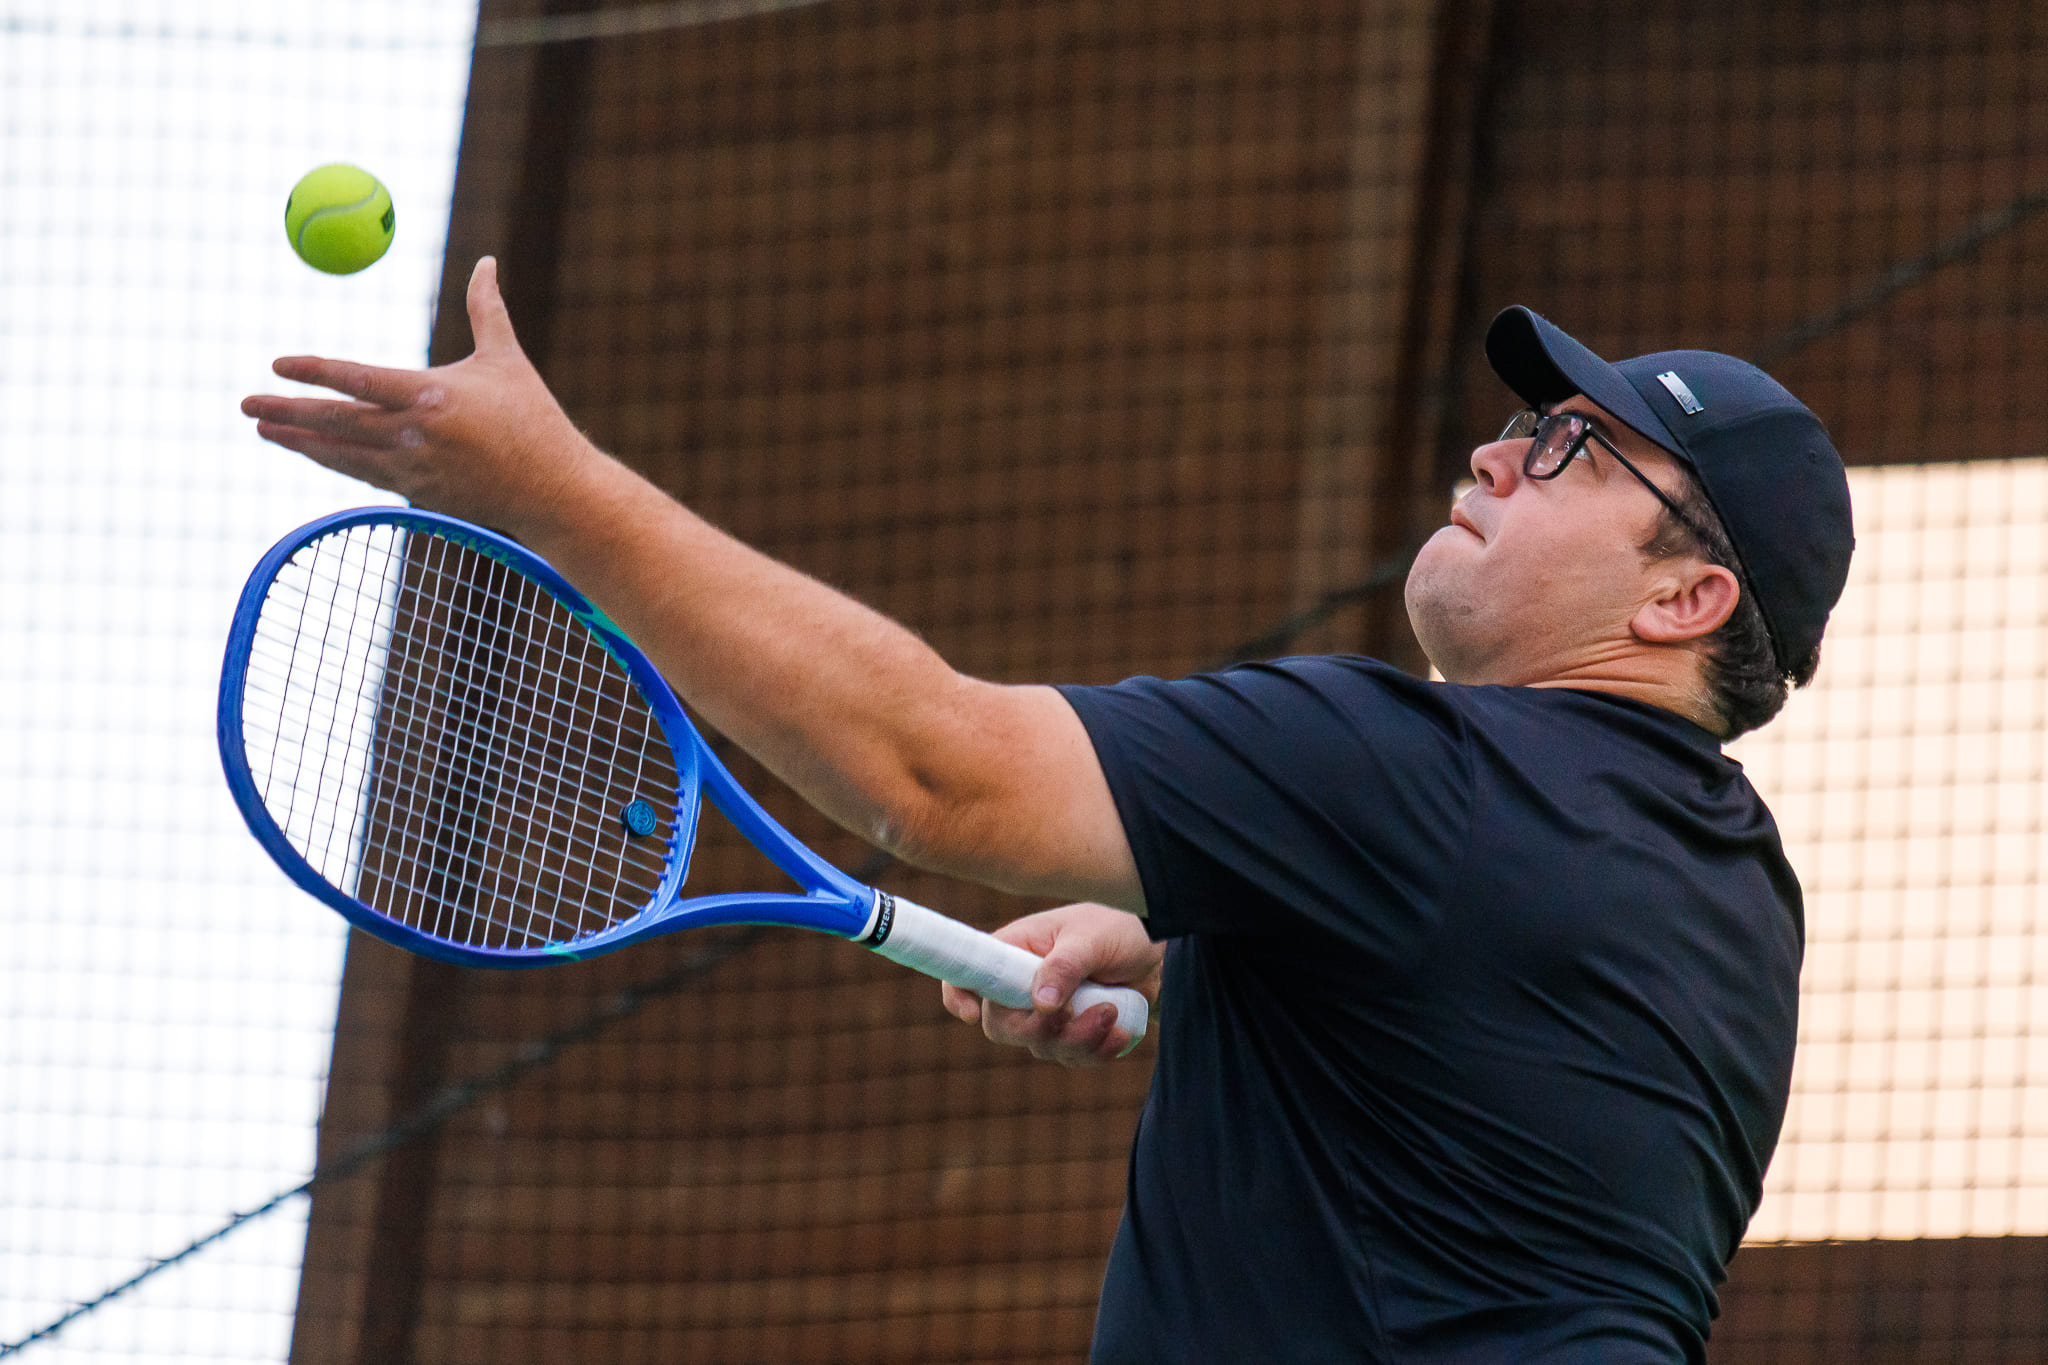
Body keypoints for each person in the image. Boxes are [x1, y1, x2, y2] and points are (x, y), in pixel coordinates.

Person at [243, 257, 1854, 1363]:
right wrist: (1199, 931)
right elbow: (1496, 1032)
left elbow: (933, 767)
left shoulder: (1413, 777)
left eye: (1573, 449)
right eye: (1521, 423)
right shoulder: (1731, 894)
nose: (1502, 456)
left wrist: (545, 483)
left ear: (1685, 599)